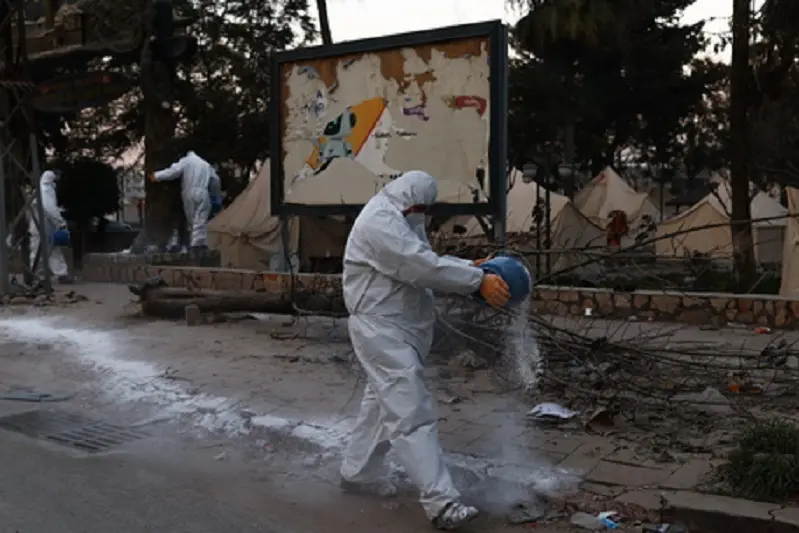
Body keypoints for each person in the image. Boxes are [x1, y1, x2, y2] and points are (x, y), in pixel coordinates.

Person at [339, 170, 510, 530]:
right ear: (410, 200)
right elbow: (418, 266)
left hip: (396, 330)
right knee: (410, 411)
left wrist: (469, 267)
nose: (424, 215)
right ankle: (441, 502)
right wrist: (477, 281)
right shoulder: (379, 221)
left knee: (381, 404)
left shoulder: (400, 217)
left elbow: (422, 256)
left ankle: (358, 473)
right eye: (422, 207)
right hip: (381, 330)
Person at [150, 151, 221, 250]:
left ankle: (196, 244)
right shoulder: (205, 164)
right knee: (201, 218)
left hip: (188, 192)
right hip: (203, 192)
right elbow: (215, 180)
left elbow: (172, 172)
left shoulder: (185, 161)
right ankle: (200, 243)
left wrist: (156, 176)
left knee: (192, 219)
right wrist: (216, 196)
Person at [29, 170, 70, 282]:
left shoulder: (40, 189)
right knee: (39, 250)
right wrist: (61, 222)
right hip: (41, 225)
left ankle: (60, 273)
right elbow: (49, 207)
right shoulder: (46, 190)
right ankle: (34, 274)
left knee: (49, 249)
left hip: (43, 225)